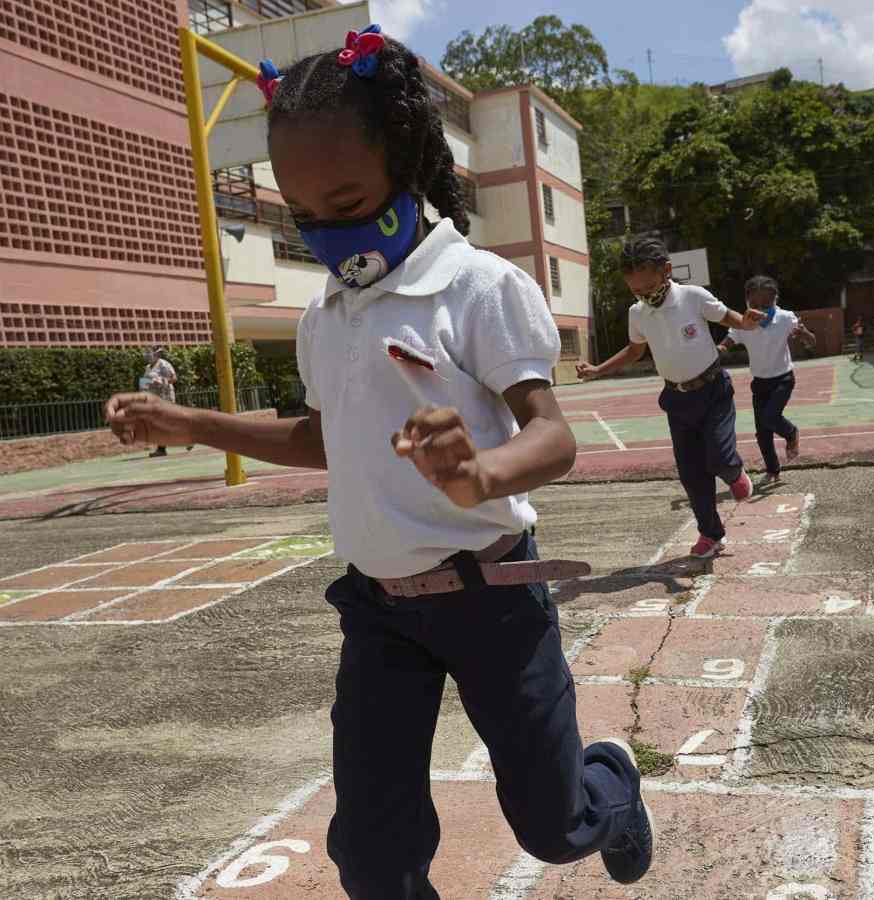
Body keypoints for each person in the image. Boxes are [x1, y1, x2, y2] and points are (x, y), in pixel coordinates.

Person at [106, 26, 654, 899]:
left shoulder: (478, 286)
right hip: (378, 608)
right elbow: (319, 443)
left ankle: (613, 792)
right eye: (303, 216)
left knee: (555, 829)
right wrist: (189, 421)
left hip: (492, 598)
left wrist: (478, 475)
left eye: (349, 202)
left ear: (406, 167)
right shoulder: (327, 317)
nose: (327, 233)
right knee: (371, 857)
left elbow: (553, 436)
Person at [576, 235, 764, 559]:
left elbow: (725, 316)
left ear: (666, 270)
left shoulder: (692, 297)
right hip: (677, 401)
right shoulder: (638, 314)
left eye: (649, 288)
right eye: (637, 291)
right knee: (691, 474)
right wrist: (598, 370)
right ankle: (711, 533)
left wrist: (744, 323)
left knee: (718, 457)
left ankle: (734, 472)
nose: (645, 296)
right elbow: (635, 351)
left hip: (713, 390)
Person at [717, 276, 806, 489]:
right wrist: (721, 348)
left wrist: (803, 334)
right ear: (747, 302)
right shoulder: (744, 323)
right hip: (760, 383)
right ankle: (773, 470)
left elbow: (810, 339)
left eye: (766, 305)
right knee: (762, 432)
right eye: (754, 305)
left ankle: (791, 433)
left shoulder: (785, 318)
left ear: (775, 300)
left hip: (783, 378)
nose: (760, 310)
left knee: (770, 417)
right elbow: (730, 339)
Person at [140, 346, 180, 457]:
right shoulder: (148, 367)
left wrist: (162, 381)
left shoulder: (163, 364)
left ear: (156, 354)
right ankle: (161, 449)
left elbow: (174, 378)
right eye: (146, 353)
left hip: (165, 397)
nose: (147, 355)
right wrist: (145, 385)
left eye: (150, 353)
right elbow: (145, 383)